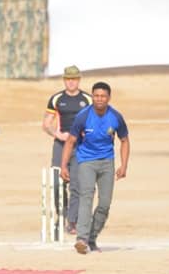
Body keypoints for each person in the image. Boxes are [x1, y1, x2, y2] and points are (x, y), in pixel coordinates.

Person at [60, 82, 130, 254]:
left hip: (107, 162)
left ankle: (91, 238)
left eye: (103, 96)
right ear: (92, 97)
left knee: (105, 204)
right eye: (96, 96)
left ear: (109, 98)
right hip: (86, 161)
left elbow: (124, 141)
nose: (99, 99)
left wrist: (124, 166)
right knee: (86, 197)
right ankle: (82, 239)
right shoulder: (83, 116)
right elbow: (70, 141)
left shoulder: (116, 117)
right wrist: (64, 166)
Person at [42, 65, 92, 235]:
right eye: (68, 79)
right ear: (64, 80)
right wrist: (58, 134)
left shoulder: (88, 99)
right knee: (57, 182)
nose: (71, 82)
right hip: (61, 145)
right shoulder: (56, 99)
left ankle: (72, 221)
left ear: (79, 80)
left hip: (80, 146)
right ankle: (61, 216)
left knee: (77, 184)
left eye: (74, 79)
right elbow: (46, 124)